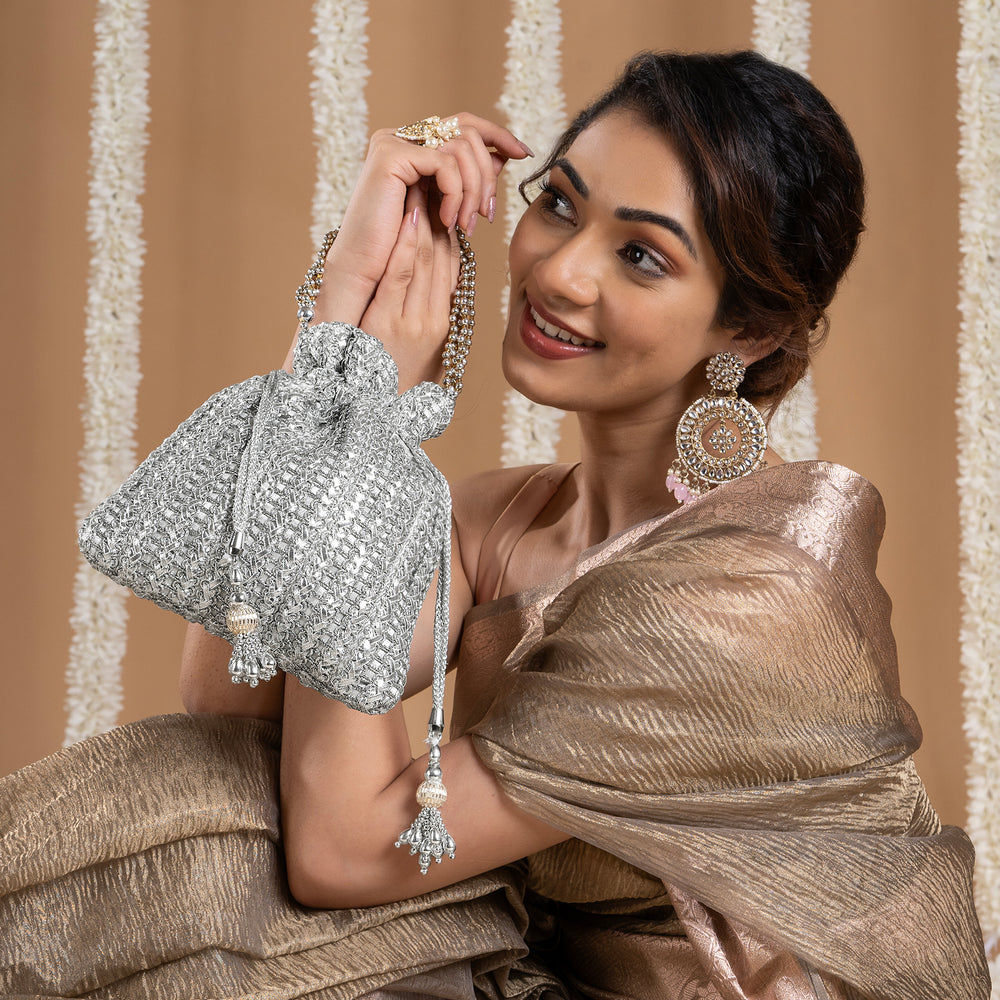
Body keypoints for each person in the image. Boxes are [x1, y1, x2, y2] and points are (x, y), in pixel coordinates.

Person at [0, 51, 990, 999]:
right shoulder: (504, 520)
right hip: (548, 976)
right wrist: (339, 329)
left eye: (640, 255)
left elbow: (344, 852)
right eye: (557, 203)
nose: (559, 272)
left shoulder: (749, 596)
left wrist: (369, 420)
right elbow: (231, 701)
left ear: (750, 329)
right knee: (202, 802)